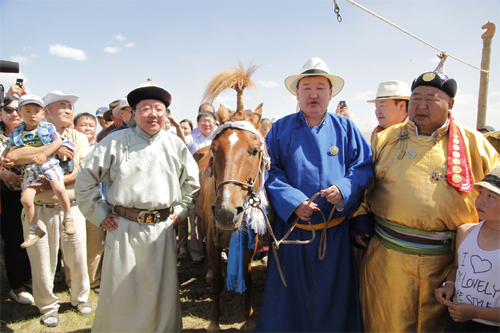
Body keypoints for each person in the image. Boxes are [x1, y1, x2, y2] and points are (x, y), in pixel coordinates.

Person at [352, 66, 500, 332]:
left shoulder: (474, 143)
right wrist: (360, 215)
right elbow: (363, 183)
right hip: (388, 261)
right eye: (416, 98)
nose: (421, 105)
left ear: (450, 103)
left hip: (449, 265)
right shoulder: (386, 139)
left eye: (431, 98)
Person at [255, 57, 374, 332]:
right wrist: (294, 202)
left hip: (334, 236)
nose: (313, 94)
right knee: (288, 300)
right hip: (292, 232)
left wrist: (344, 188)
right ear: (297, 93)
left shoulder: (346, 129)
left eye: (320, 87)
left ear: (330, 93)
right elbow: (269, 172)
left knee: (332, 300)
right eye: (306, 87)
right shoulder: (280, 129)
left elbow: (363, 167)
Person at [75, 81, 200, 332]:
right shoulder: (115, 141)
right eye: (145, 108)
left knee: (160, 292)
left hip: (163, 231)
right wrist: (100, 214)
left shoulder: (175, 144)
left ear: (166, 114)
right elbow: (85, 181)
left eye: (158, 108)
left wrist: (181, 210)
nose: (152, 113)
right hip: (124, 229)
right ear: (133, 113)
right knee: (123, 291)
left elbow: (192, 184)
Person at [5, 90, 92, 327]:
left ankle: (80, 298)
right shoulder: (26, 132)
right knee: (42, 260)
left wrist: (45, 179)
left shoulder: (78, 136)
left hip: (71, 207)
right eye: (61, 106)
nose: (68, 110)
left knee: (77, 257)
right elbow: (13, 155)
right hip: (39, 207)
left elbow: (80, 173)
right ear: (48, 113)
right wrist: (49, 150)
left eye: (70, 106)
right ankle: (48, 307)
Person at [2, 94, 75, 249]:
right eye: (27, 111)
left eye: (36, 111)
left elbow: (58, 141)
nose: (32, 114)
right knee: (25, 200)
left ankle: (68, 218)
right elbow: (9, 151)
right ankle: (34, 229)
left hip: (49, 164)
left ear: (43, 113)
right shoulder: (17, 132)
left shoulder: (47, 128)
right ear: (20, 114)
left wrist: (43, 153)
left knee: (59, 188)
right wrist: (3, 159)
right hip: (30, 169)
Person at [435, 165, 500, 332]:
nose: (481, 201)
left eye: (491, 196)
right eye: (480, 193)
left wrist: (475, 312)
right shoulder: (466, 232)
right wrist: (449, 285)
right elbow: (457, 267)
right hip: (458, 323)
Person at [0, 95, 33, 305]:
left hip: (29, 193)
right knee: (13, 240)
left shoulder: (30, 134)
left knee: (29, 238)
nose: (14, 114)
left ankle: (28, 279)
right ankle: (17, 287)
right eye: (9, 110)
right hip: (6, 196)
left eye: (18, 110)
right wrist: (2, 172)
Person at [73, 112, 104, 293]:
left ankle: (94, 280)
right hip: (73, 203)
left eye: (91, 125)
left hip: (98, 201)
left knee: (95, 243)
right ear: (75, 127)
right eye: (83, 125)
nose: (87, 128)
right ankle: (74, 283)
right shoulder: (67, 146)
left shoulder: (102, 148)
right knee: (75, 246)